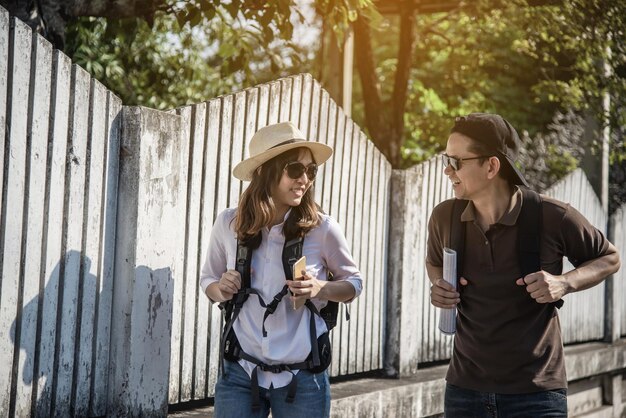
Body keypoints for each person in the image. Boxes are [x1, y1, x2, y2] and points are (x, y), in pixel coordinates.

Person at [426, 113, 621, 417]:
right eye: (445, 159)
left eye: (456, 161)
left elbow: (610, 258)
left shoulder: (553, 216)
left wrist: (564, 283)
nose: (447, 170)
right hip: (465, 392)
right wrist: (439, 285)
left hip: (537, 395)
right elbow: (434, 261)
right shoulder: (445, 217)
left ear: (491, 166)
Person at [200, 121, 362, 418]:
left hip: (303, 378)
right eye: (295, 169)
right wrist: (219, 288)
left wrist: (320, 288)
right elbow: (208, 279)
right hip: (240, 372)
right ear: (265, 171)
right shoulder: (228, 223)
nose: (305, 179)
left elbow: (354, 283)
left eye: (311, 170)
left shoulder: (323, 229)